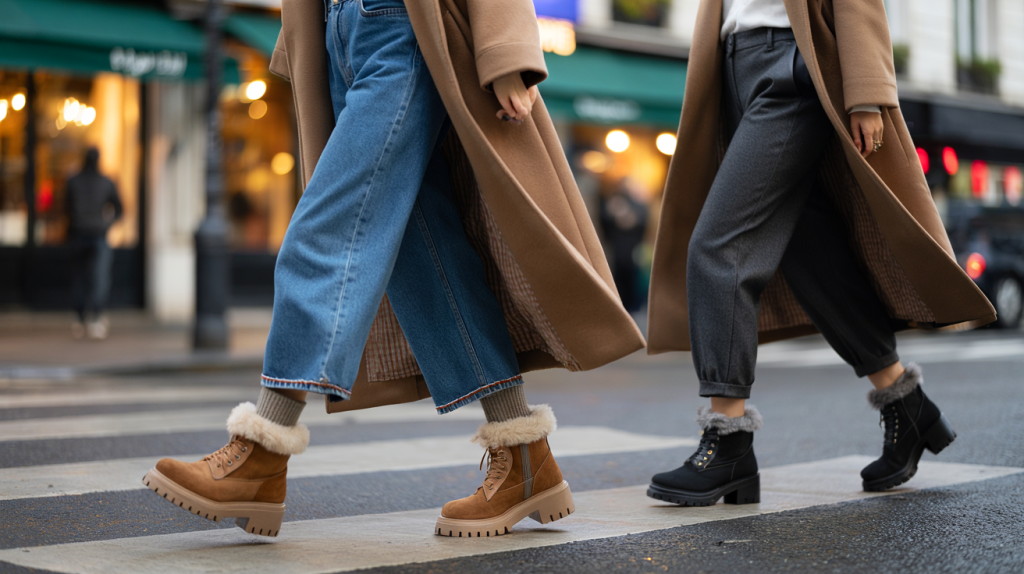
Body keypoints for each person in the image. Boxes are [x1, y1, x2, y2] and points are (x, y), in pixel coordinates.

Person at [141, 0, 644, 538]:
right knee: (426, 256)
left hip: (400, 27)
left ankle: (262, 448)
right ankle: (524, 455)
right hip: (338, 32)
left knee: (329, 230)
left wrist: (507, 46)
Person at [645, 0, 996, 505]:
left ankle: (728, 440)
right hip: (732, 66)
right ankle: (906, 402)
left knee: (719, 247)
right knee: (808, 253)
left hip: (791, 62)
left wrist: (867, 90)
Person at [65, 147, 122, 340]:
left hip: (87, 233)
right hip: (91, 234)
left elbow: (66, 207)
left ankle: (85, 318)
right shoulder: (103, 182)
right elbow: (119, 208)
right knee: (95, 278)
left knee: (87, 277)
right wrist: (106, 223)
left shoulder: (76, 181)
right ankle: (91, 317)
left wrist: (105, 223)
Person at [600, 177, 649, 312]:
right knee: (616, 281)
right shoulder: (611, 203)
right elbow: (604, 222)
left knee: (632, 282)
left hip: (632, 252)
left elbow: (642, 223)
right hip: (614, 253)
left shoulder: (638, 206)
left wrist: (629, 218)